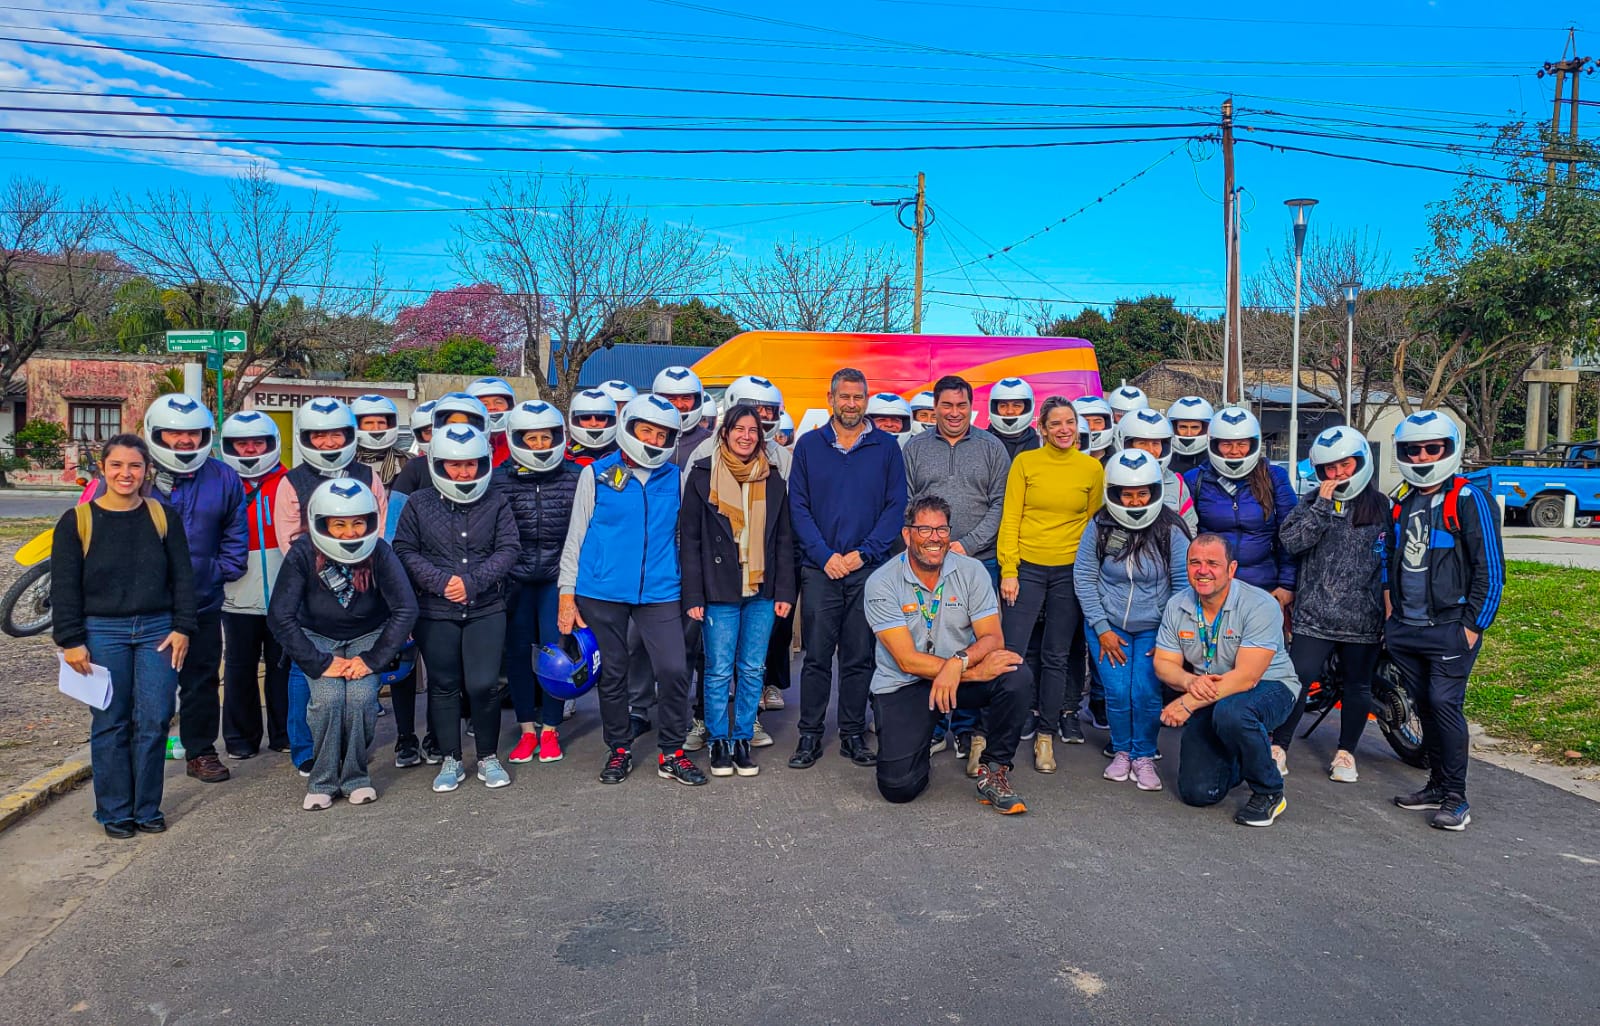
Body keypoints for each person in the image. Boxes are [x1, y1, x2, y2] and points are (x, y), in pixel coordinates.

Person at [52, 434, 196, 838]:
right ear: (103, 468)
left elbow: (184, 577)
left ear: (146, 470)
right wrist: (70, 640)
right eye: (117, 465)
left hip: (157, 631)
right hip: (102, 632)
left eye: (134, 466)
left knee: (154, 719)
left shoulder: (163, 516)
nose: (125, 473)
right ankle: (114, 812)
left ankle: (147, 807)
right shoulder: (76, 521)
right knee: (110, 722)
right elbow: (65, 587)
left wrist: (183, 626)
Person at [559, 394, 705, 786]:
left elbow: (686, 536)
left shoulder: (675, 478)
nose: (654, 440)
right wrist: (566, 595)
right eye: (647, 431)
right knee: (614, 673)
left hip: (660, 590)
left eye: (663, 434)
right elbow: (576, 536)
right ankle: (619, 748)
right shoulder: (597, 474)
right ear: (629, 428)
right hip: (601, 590)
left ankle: (672, 752)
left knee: (674, 669)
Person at [864, 496, 1033, 813]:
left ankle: (994, 771)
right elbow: (906, 660)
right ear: (907, 534)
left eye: (941, 529)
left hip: (958, 674)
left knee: (1015, 674)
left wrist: (960, 663)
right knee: (899, 788)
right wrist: (973, 672)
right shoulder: (882, 582)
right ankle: (918, 743)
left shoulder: (973, 571)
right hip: (905, 683)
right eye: (924, 529)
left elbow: (993, 637)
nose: (934, 538)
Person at [1385, 411, 1503, 832]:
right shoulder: (1401, 500)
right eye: (1412, 450)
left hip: (1451, 628)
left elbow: (1491, 569)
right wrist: (1390, 612)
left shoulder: (1470, 500)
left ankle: (1456, 797)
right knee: (1425, 707)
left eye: (1431, 449)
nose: (1421, 456)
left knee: (1444, 704)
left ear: (1449, 449)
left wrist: (1473, 626)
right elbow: (1388, 559)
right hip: (1407, 628)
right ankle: (1435, 785)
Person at [269, 479, 417, 810]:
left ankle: (355, 777)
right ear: (321, 523)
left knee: (363, 699)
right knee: (328, 699)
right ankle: (322, 780)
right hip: (317, 638)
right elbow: (280, 615)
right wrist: (320, 662)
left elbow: (405, 608)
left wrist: (373, 659)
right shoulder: (303, 552)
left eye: (357, 523)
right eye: (339, 524)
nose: (350, 532)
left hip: (367, 636)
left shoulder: (380, 552)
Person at [787, 368, 906, 770]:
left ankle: (854, 733)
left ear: (866, 400)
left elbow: (895, 507)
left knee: (859, 656)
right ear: (831, 399)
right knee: (817, 657)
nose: (851, 404)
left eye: (858, 397)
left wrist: (864, 553)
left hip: (867, 569)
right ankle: (809, 734)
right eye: (845, 397)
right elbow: (798, 507)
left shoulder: (887, 448)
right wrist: (824, 555)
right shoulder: (808, 447)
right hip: (821, 569)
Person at [393, 424, 521, 792]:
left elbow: (509, 549)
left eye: (471, 464)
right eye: (454, 465)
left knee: (483, 685)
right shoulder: (419, 503)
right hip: (435, 611)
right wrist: (439, 582)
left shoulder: (495, 501)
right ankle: (450, 758)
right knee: (444, 685)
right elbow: (404, 549)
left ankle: (487, 756)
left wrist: (472, 583)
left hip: (486, 607)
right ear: (437, 464)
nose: (463, 473)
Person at [679, 403, 797, 778]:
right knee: (716, 670)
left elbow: (782, 539)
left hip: (761, 587)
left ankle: (742, 737)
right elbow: (691, 541)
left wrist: (784, 592)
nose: (746, 436)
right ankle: (717, 740)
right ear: (725, 432)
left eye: (753, 430)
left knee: (752, 668)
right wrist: (693, 596)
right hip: (718, 589)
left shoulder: (773, 478)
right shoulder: (702, 475)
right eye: (739, 429)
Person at [1269, 426, 1391, 782]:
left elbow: (1391, 560)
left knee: (1358, 685)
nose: (1338, 475)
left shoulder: (1383, 507)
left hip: (1363, 618)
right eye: (1329, 469)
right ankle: (1279, 745)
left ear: (1361, 463)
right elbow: (1291, 542)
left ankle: (1346, 753)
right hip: (1314, 615)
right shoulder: (1309, 503)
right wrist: (1322, 506)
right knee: (1299, 678)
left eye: (1345, 466)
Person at [275, 397, 390, 775]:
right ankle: (305, 749)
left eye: (335, 433)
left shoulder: (368, 477)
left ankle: (347, 748)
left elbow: (379, 533)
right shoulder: (291, 482)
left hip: (364, 585)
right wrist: (325, 568)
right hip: (311, 586)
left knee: (355, 682)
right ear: (306, 437)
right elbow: (288, 539)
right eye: (319, 435)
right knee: (303, 671)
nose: (328, 442)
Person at [1155, 534, 1301, 827]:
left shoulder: (1259, 604)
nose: (1202, 570)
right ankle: (1241, 760)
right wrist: (1188, 682)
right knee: (1197, 793)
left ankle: (1269, 790)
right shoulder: (1177, 604)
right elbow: (1163, 664)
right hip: (1211, 690)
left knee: (1233, 713)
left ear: (1231, 569)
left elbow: (1247, 677)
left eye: (1212, 563)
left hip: (1269, 686)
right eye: (1195, 563)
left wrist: (1189, 702)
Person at [141, 393, 247, 785]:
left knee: (201, 681)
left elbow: (236, 535)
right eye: (174, 433)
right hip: (146, 606)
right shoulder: (138, 474)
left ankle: (201, 751)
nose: (184, 441)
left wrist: (216, 571)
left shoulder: (223, 477)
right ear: (155, 433)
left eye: (194, 433)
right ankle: (143, 755)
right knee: (150, 686)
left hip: (203, 601)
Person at [903, 376, 1011, 757]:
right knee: (927, 638)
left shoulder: (992, 448)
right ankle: (932, 724)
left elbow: (1001, 504)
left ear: (971, 406)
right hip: (926, 565)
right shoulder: (914, 448)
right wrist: (929, 545)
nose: (954, 413)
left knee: (971, 644)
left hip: (977, 563)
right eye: (946, 405)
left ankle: (966, 728)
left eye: (961, 405)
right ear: (934, 408)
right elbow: (909, 503)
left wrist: (966, 545)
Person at [1074, 449, 1190, 790]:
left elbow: (1182, 587)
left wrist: (1169, 638)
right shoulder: (1099, 525)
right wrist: (1102, 628)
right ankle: (1122, 752)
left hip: (1155, 629)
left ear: (1154, 492)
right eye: (1128, 494)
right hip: (1107, 627)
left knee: (1144, 691)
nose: (1136, 501)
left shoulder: (1173, 530)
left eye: (1142, 494)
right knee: (1115, 690)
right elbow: (1084, 575)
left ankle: (1144, 754)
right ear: (1115, 494)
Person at [997, 396, 1103, 767]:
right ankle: (1008, 723)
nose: (1063, 430)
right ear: (1041, 428)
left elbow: (1094, 528)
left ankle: (1046, 733)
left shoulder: (1091, 469)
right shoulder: (1025, 463)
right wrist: (1009, 569)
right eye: (1055, 423)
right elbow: (1010, 518)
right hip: (1026, 568)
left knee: (1057, 655)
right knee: (1012, 651)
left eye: (1069, 423)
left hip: (1068, 572)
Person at [497, 400, 580, 766]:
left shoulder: (576, 476)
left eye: (546, 438)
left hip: (556, 579)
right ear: (516, 439)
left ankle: (550, 728)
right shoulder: (498, 478)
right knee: (516, 653)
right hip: (513, 579)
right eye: (530, 439)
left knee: (553, 654)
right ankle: (526, 729)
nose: (539, 445)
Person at [218, 411, 291, 760]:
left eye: (257, 442)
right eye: (241, 444)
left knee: (283, 666)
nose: (249, 450)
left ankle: (284, 734)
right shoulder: (220, 482)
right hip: (237, 595)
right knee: (239, 667)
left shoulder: (291, 481)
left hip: (283, 593)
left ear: (271, 443)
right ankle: (239, 739)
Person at [1182, 406, 1297, 605]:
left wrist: (1287, 584)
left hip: (1263, 587)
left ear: (1253, 444)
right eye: (1227, 444)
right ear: (1214, 444)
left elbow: (1291, 532)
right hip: (1211, 585)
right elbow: (1185, 536)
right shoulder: (1195, 480)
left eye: (1242, 444)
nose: (1235, 451)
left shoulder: (1274, 477)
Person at [1115, 408, 1198, 531]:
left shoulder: (1176, 482)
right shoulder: (1110, 479)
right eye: (1142, 443)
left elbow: (1189, 526)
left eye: (1155, 443)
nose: (1151, 450)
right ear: (1126, 444)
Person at [654, 365, 710, 462]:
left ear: (697, 400)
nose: (679, 405)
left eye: (686, 398)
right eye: (671, 398)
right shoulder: (647, 440)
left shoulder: (711, 441)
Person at [351, 393, 407, 485]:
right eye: (369, 423)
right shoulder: (346, 462)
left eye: (381, 422)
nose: (376, 428)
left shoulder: (406, 461)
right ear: (357, 426)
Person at [389, 399, 437, 497]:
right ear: (419, 435)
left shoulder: (474, 461)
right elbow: (397, 508)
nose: (435, 435)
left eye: (439, 429)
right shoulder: (415, 467)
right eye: (428, 432)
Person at [467, 376, 517, 467]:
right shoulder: (465, 442)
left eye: (498, 402)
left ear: (510, 406)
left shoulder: (520, 441)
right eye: (484, 404)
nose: (492, 407)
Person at [986, 377, 1040, 461]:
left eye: (1016, 405)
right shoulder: (981, 442)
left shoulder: (1040, 444)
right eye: (1003, 406)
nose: (1010, 411)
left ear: (1027, 407)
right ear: (994, 408)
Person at [566, 388, 620, 467]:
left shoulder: (624, 454)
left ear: (610, 420)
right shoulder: (563, 454)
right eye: (586, 417)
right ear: (576, 420)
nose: (593, 423)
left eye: (600, 417)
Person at [1167, 395, 1214, 476]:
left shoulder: (1214, 464)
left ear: (1206, 429)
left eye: (1195, 427)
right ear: (1174, 428)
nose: (1189, 434)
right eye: (1183, 427)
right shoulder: (1165, 462)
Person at [1072, 395, 1116, 464]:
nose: (1091, 427)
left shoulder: (1117, 460)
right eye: (1085, 421)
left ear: (1108, 423)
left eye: (1098, 422)